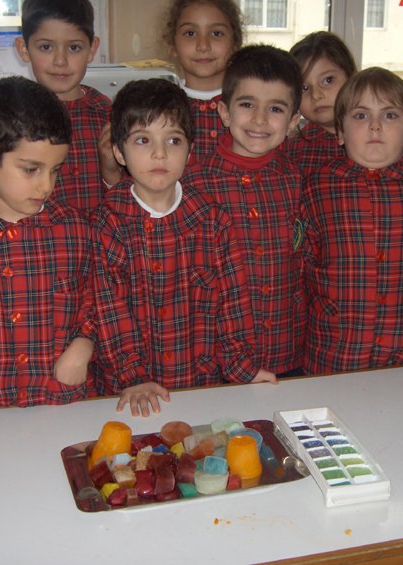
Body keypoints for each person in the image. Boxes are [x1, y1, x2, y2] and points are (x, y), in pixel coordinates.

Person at [94, 78, 276, 417]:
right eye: (143, 140)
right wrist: (134, 376)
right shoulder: (107, 223)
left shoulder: (213, 221)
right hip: (130, 394)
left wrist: (243, 367)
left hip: (200, 387)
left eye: (173, 140)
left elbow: (233, 305)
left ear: (190, 152)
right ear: (119, 152)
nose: (159, 153)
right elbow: (109, 312)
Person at [0, 76, 98, 409]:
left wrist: (84, 344)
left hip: (62, 400)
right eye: (31, 170)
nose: (46, 185)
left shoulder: (76, 229)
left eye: (55, 170)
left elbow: (97, 297)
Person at [301, 67, 403, 375]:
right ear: (340, 133)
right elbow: (299, 271)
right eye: (361, 115)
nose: (375, 126)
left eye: (390, 115)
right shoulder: (315, 189)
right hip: (333, 355)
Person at [181, 44, 306, 377]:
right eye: (247, 104)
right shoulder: (193, 183)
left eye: (275, 108)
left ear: (293, 121)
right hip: (213, 359)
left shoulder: (296, 179)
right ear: (224, 112)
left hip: (285, 351)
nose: (260, 120)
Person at [286, 31, 403, 186]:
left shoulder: (401, 136)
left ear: (351, 76)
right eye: (304, 88)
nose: (316, 95)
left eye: (328, 80)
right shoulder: (294, 150)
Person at [16, 0, 120, 214]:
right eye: (46, 47)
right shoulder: (13, 117)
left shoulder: (109, 116)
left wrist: (111, 172)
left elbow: (130, 195)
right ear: (24, 49)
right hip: (38, 233)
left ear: (92, 49)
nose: (60, 61)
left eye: (74, 47)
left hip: (102, 232)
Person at [163, 0, 243, 163]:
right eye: (190, 33)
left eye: (216, 33)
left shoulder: (251, 107)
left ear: (235, 44)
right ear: (172, 45)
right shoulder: (159, 108)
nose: (203, 46)